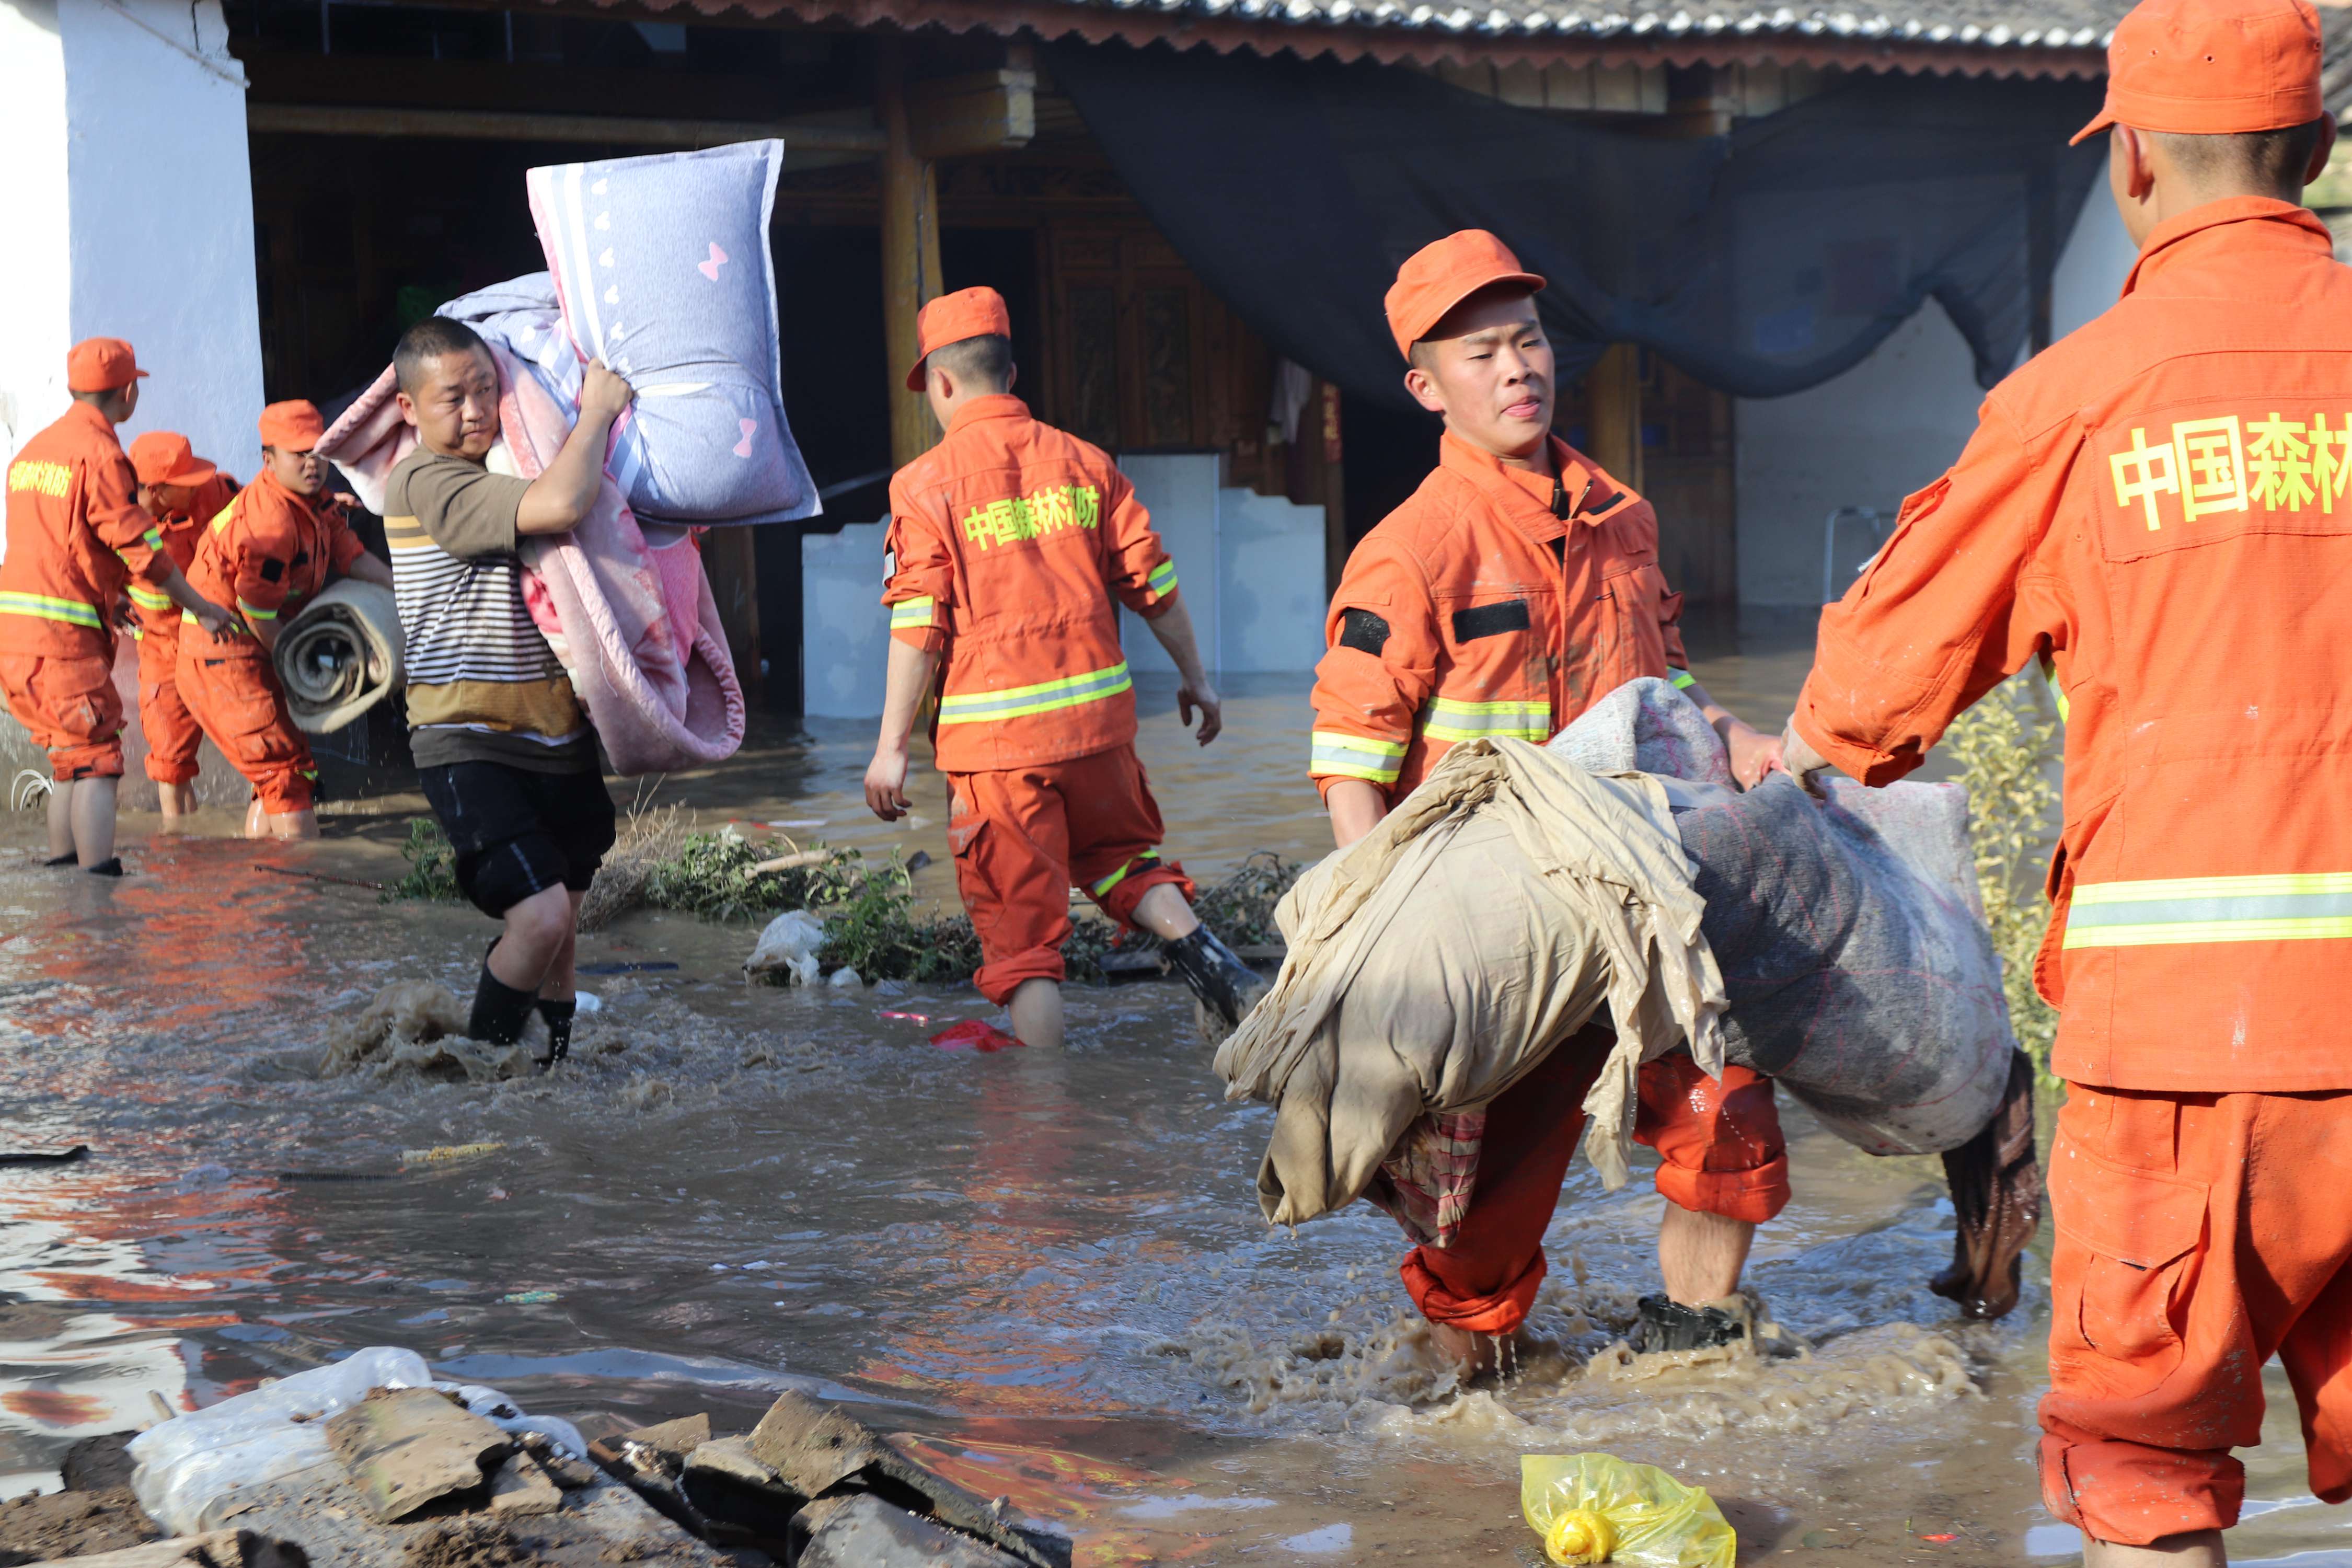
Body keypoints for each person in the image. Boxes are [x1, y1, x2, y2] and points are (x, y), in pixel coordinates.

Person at [1779, 1, 2350, 1560]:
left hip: (2173, 1054)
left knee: (2148, 1480)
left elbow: (1861, 704)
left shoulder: (2076, 402)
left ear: (2140, 161)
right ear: (2313, 149)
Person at [1307, 232, 1789, 1370]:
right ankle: (1462, 1417)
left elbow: (1660, 686)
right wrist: (1377, 943)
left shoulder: (1623, 517)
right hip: (1499, 935)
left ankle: (1693, 1372)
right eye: (1481, 354)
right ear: (1427, 388)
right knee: (1480, 1231)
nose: (1517, 367)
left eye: (1528, 341)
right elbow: (1351, 759)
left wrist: (1739, 734)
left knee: (1730, 1120)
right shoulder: (1410, 550)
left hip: (1646, 901)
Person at [863, 285, 1266, 1050]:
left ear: (941, 384)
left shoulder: (923, 485)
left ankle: (1046, 1129)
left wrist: (889, 748)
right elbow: (1155, 585)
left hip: (999, 750)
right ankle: (1223, 975)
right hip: (1100, 733)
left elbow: (920, 621)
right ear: (1010, 377)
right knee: (1122, 862)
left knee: (1022, 942)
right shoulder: (1086, 463)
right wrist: (1198, 681)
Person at [385, 316, 630, 1067]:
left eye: (487, 390)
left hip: (558, 738)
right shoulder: (426, 481)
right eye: (451, 398)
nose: (475, 411)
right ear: (408, 411)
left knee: (565, 930)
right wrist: (597, 411)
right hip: (470, 740)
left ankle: (551, 1071)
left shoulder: (506, 472)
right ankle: (478, 1068)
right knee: (542, 917)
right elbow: (560, 506)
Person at [0, 339, 233, 874]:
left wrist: (113, 596)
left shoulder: (32, 452)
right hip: (61, 645)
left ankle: (68, 899)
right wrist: (203, 608)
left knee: (68, 763)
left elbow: (64, 545)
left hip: (16, 639)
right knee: (99, 763)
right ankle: (97, 900)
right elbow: (142, 551)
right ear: (128, 392)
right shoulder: (101, 456)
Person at [177, 402, 390, 840]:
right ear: (268, 460)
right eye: (300, 455)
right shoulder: (269, 525)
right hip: (224, 655)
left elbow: (348, 553)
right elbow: (257, 614)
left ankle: (268, 879)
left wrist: (402, 589)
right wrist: (301, 667)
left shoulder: (315, 499)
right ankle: (299, 897)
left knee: (285, 774)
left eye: (319, 451)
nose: (313, 464)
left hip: (254, 644)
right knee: (284, 776)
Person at [125, 432, 238, 821]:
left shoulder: (216, 491)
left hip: (222, 638)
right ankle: (181, 851)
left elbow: (260, 509)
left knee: (262, 740)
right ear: (156, 491)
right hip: (163, 650)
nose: (197, 486)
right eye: (185, 484)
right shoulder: (117, 525)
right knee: (170, 759)